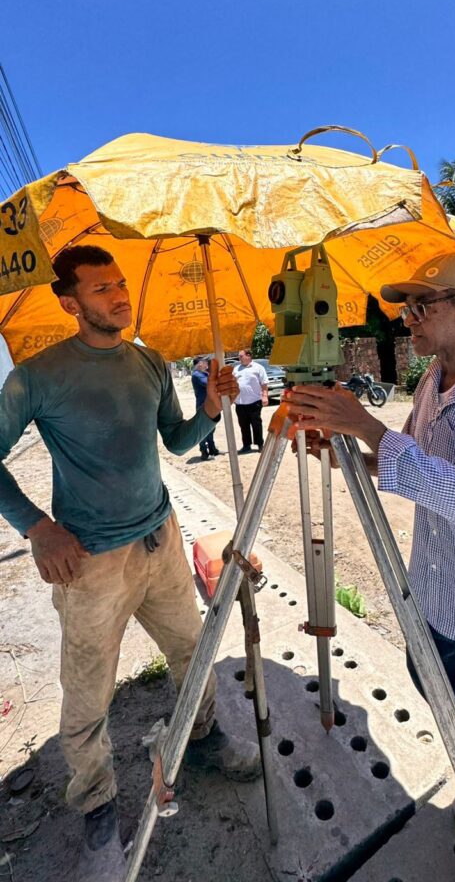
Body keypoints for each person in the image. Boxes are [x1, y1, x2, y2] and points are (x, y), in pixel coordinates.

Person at [285, 253, 455, 882]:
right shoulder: (435, 381)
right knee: (452, 706)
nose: (406, 319)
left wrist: (366, 426)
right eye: (405, 307)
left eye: (420, 306)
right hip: (440, 599)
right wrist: (344, 451)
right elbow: (412, 461)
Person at [0, 245, 261, 882]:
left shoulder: (148, 362)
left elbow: (177, 441)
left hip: (160, 539)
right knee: (88, 694)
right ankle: (97, 810)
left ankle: (202, 737)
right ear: (71, 304)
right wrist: (37, 527)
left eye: (120, 284)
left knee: (192, 650)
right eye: (102, 289)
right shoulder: (36, 377)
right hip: (89, 561)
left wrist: (210, 408)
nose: (119, 296)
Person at [232, 348, 269, 453]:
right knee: (243, 425)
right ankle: (246, 445)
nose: (239, 358)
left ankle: (260, 445)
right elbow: (233, 383)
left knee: (256, 424)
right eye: (239, 357)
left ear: (248, 355)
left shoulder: (258, 368)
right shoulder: (236, 369)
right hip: (240, 403)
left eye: (241, 356)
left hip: (254, 401)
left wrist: (265, 396)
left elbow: (264, 383)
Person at [191, 356, 220, 459]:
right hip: (203, 405)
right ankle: (204, 451)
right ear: (199, 364)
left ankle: (212, 448)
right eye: (205, 362)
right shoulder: (197, 375)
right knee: (203, 429)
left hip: (209, 405)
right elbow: (210, 384)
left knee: (210, 428)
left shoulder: (204, 374)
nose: (207, 363)